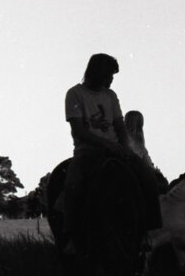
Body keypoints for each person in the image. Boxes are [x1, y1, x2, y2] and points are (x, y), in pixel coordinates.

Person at [61, 54, 161, 254]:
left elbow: (119, 126)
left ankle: (147, 232)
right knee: (73, 185)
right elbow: (78, 131)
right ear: (96, 72)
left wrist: (125, 147)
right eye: (108, 75)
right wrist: (105, 143)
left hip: (116, 150)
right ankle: (71, 237)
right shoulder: (75, 93)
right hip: (87, 151)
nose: (111, 80)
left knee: (148, 178)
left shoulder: (110, 95)